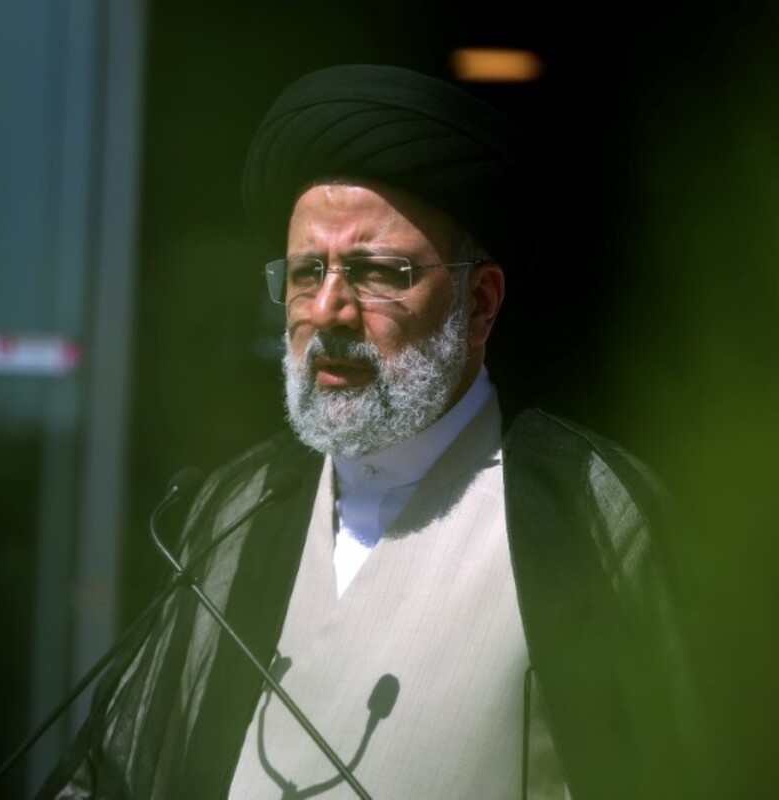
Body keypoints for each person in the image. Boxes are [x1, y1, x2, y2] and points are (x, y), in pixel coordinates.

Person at [38, 64, 707, 799]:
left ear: (479, 304)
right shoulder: (242, 507)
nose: (328, 309)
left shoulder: (587, 514)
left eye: (376, 272)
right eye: (306, 273)